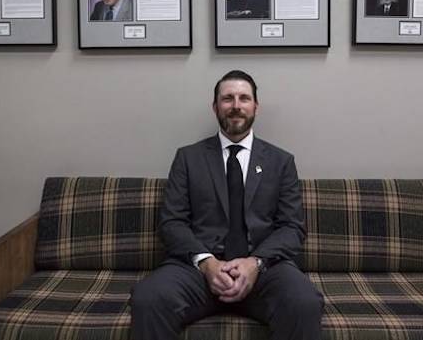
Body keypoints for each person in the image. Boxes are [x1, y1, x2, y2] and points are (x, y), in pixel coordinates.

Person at [130, 70, 324, 340]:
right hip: (196, 272)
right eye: (227, 98)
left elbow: (292, 228)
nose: (236, 106)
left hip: (264, 271)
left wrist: (254, 264)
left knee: (304, 302)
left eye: (244, 98)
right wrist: (207, 264)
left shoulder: (281, 162)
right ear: (215, 107)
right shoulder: (188, 158)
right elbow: (172, 223)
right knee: (148, 298)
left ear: (256, 106)